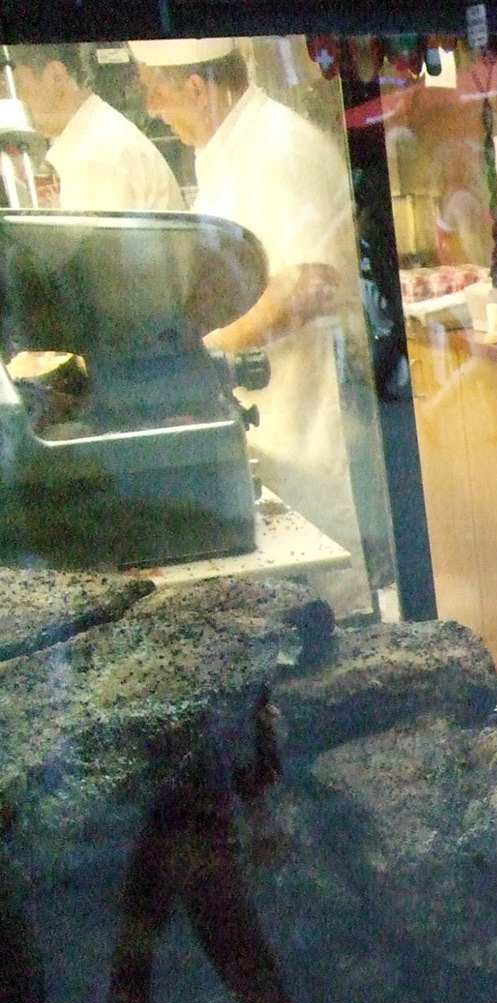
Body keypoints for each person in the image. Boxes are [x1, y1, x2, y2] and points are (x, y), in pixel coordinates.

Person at [129, 37, 369, 616]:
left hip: (309, 431)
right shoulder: (225, 148)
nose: (153, 111)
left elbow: (312, 283)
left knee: (332, 613)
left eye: (156, 94)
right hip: (269, 433)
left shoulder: (278, 146)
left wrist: (209, 354)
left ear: (196, 86)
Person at [3, 43, 182, 211]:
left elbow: (89, 245)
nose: (14, 103)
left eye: (18, 88)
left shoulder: (96, 154)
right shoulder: (94, 138)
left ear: (55, 77)